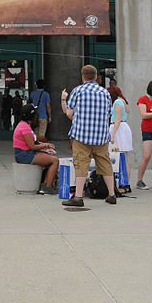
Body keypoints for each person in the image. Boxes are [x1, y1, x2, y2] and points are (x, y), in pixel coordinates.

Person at [60, 64, 116, 207]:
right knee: (105, 164)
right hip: (101, 136)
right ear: (96, 77)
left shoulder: (77, 91)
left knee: (81, 165)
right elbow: (109, 114)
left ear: (83, 77)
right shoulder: (105, 93)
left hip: (81, 135)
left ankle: (78, 197)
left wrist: (63, 100)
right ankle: (112, 194)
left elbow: (70, 114)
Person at [12, 104, 59, 194]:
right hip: (25, 155)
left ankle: (44, 185)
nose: (36, 117)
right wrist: (47, 145)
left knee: (50, 158)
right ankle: (47, 187)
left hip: (24, 153)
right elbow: (32, 146)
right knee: (55, 161)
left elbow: (34, 143)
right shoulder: (24, 127)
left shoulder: (23, 125)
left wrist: (44, 145)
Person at [109, 85, 132, 193]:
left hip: (118, 129)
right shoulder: (123, 101)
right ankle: (126, 183)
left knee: (120, 157)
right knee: (125, 158)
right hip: (123, 128)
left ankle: (124, 184)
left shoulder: (117, 103)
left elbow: (117, 120)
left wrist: (112, 135)